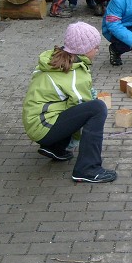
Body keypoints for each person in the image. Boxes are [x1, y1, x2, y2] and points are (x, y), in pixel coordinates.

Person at [22, 22, 117, 183]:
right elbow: (80, 110)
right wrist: (78, 139)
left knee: (77, 107)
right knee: (98, 108)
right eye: (95, 47)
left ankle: (55, 147)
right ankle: (87, 169)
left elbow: (67, 106)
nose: (97, 51)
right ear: (85, 50)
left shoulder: (55, 60)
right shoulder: (75, 73)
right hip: (43, 127)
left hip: (35, 121)